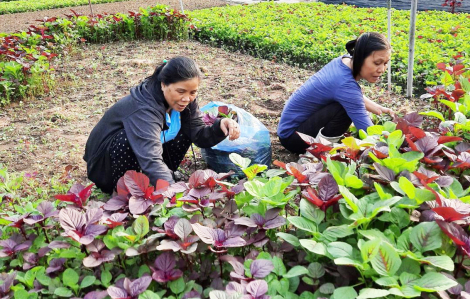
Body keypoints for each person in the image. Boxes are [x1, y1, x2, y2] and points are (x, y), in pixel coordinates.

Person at [83, 56, 240, 194]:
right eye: (181, 91)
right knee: (125, 140)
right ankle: (125, 192)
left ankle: (159, 179)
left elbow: (198, 134)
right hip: (104, 166)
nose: (187, 98)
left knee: (186, 130)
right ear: (163, 84)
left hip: (144, 155)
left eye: (193, 92)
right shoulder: (144, 108)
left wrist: (220, 126)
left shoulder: (185, 101)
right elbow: (150, 156)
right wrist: (172, 194)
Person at [277, 32, 394, 154]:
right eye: (377, 63)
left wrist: (378, 108)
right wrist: (390, 148)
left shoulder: (344, 61)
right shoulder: (345, 85)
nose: (381, 70)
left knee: (345, 104)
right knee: (343, 109)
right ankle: (318, 152)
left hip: (290, 128)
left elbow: (352, 96)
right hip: (293, 138)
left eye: (385, 63)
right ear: (360, 57)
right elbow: (368, 131)